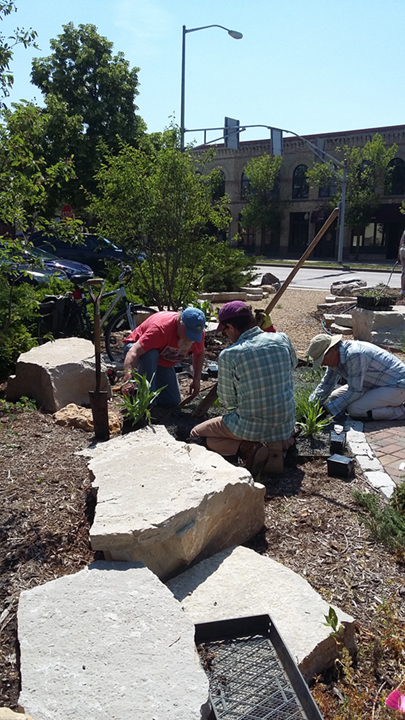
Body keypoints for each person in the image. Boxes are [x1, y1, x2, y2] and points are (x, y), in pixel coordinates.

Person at [190, 301, 297, 474]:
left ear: (231, 327)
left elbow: (228, 401)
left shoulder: (230, 355)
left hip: (250, 425)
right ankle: (279, 445)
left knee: (197, 434)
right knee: (277, 426)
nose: (225, 335)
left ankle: (248, 448)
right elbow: (292, 365)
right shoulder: (281, 338)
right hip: (285, 421)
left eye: (224, 331)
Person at [307, 333, 405, 421]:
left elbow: (355, 392)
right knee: (334, 397)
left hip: (396, 385)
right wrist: (311, 404)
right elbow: (327, 383)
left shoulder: (355, 355)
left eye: (322, 359)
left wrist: (327, 410)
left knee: (355, 410)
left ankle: (401, 411)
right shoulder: (336, 359)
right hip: (372, 384)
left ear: (332, 350)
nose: (322, 364)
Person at [121, 308, 206, 408]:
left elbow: (199, 353)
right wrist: (127, 377)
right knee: (151, 354)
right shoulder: (160, 329)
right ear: (179, 323)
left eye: (194, 335)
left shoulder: (197, 333)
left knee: (172, 401)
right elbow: (133, 352)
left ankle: (139, 392)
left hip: (162, 360)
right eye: (188, 333)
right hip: (138, 350)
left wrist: (196, 378)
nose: (191, 339)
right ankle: (146, 404)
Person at [398, 230, 405, 296]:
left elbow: (400, 243)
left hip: (402, 250)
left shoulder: (404, 231)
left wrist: (398, 256)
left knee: (403, 271)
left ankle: (403, 291)